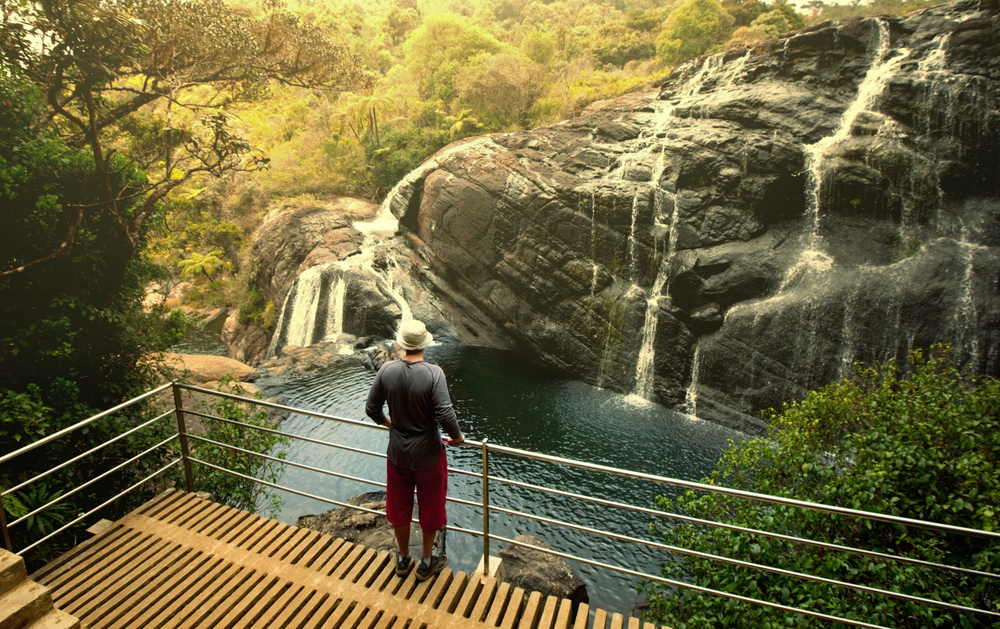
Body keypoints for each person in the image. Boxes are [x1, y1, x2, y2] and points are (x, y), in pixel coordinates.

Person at [365, 319, 465, 581]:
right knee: (431, 506)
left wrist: (390, 424)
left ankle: (402, 558)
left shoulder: (386, 370)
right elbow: (445, 412)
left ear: (402, 343)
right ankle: (426, 562)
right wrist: (457, 436)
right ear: (424, 344)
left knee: (399, 505)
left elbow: (371, 409)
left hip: (398, 451)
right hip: (429, 453)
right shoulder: (434, 373)